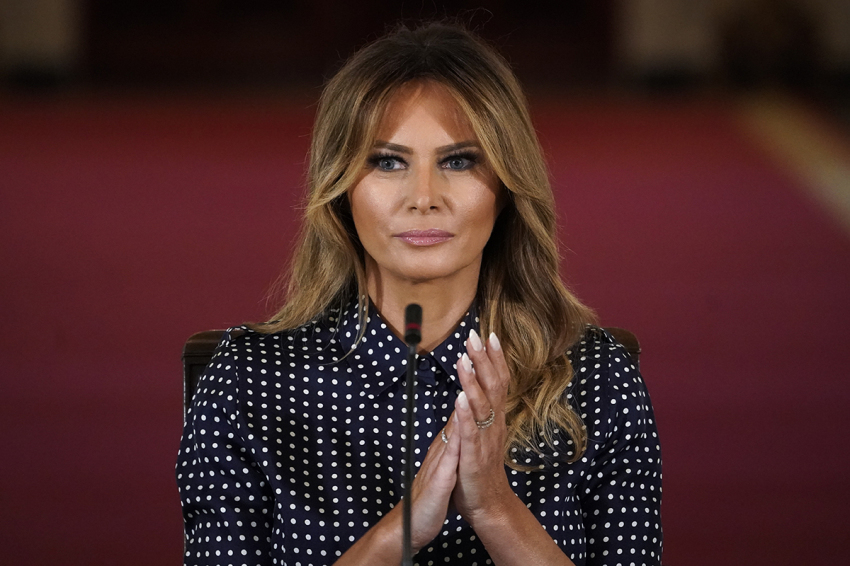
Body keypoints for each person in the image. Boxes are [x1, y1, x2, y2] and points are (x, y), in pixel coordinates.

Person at [177, 21, 662, 566]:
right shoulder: (249, 380)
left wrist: (497, 509)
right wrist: (398, 533)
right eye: (388, 162)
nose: (423, 198)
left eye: (459, 161)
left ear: (506, 189)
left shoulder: (595, 375)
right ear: (340, 189)